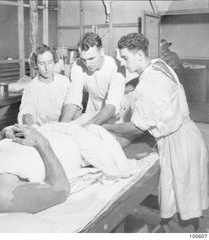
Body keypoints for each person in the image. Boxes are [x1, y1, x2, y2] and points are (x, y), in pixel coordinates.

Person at [103, 33, 208, 230]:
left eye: (125, 58)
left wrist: (107, 127)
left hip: (179, 144)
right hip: (189, 135)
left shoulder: (150, 85)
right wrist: (126, 89)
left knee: (180, 205)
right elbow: (143, 83)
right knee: (187, 200)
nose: (123, 63)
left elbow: (137, 127)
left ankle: (195, 233)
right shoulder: (159, 65)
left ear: (140, 56)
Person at [59, 32, 125, 126]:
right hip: (92, 112)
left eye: (91, 59)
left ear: (102, 51)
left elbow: (112, 104)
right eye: (84, 60)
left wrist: (86, 126)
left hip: (114, 116)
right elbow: (73, 98)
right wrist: (61, 126)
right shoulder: (78, 65)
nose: (88, 64)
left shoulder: (116, 66)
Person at [18, 44, 71, 126]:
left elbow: (74, 109)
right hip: (43, 130)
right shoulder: (31, 88)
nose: (47, 68)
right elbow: (26, 115)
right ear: (35, 64)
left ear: (54, 61)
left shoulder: (64, 82)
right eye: (42, 63)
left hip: (65, 126)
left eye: (50, 62)